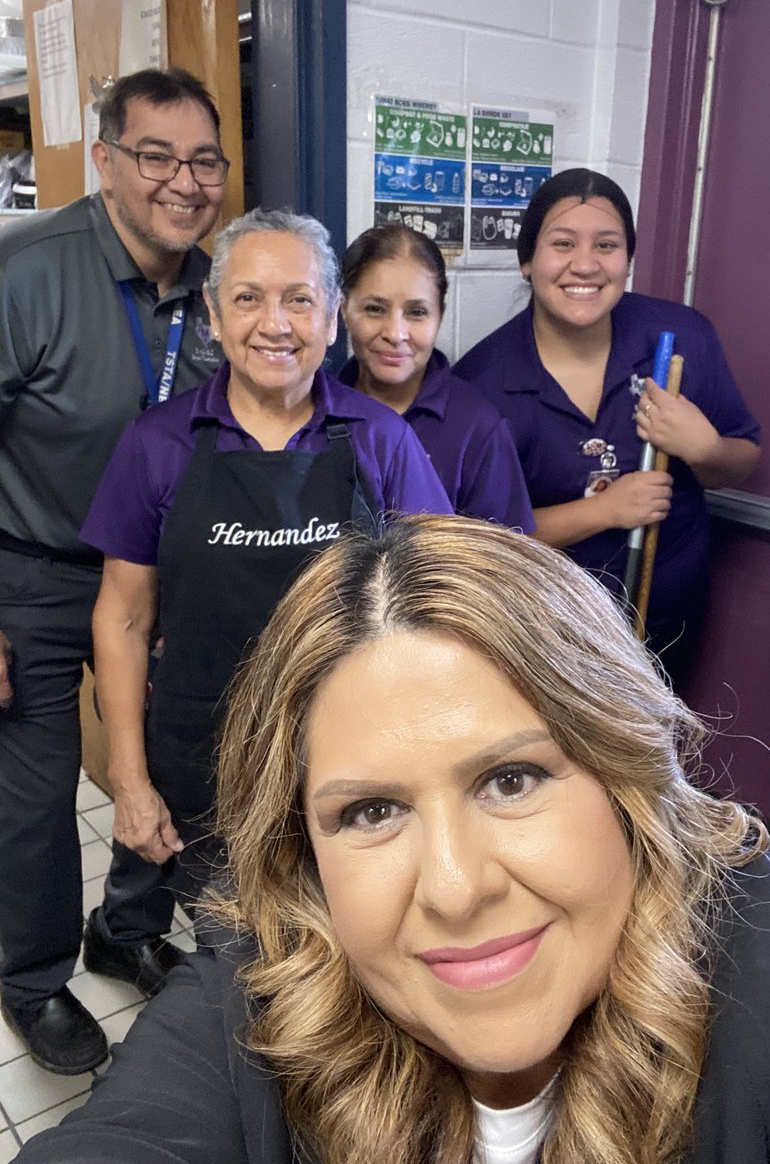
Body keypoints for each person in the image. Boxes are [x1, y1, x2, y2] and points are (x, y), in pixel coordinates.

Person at [16, 515, 770, 1164]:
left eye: (510, 781)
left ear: (626, 773)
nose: (452, 886)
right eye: (370, 812)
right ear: (302, 858)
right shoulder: (247, 1001)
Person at [79, 207, 453, 974]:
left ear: (332, 318)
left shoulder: (381, 441)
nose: (274, 323)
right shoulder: (159, 445)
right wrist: (129, 779)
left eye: (299, 299)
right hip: (202, 753)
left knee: (340, 943)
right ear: (214, 316)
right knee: (251, 961)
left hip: (349, 752)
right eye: (247, 298)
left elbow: (440, 599)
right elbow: (121, 618)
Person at [0, 67, 228, 1075]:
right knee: (39, 793)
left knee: (164, 762)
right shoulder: (30, 270)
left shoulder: (220, 290)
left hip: (159, 581)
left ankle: (124, 930)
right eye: (157, 156)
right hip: (35, 576)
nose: (184, 181)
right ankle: (33, 978)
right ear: (105, 161)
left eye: (205, 160)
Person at [455, 168, 761, 673]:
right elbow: (480, 539)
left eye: (606, 245)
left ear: (627, 260)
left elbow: (742, 458)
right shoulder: (481, 386)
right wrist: (603, 511)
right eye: (563, 243)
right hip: (542, 635)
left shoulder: (683, 337)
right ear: (527, 260)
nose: (585, 265)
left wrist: (703, 449)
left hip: (664, 627)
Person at [339, 224, 535, 529]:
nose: (395, 334)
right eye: (375, 309)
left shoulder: (477, 426)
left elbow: (502, 558)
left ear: (440, 314)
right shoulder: (318, 411)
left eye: (417, 313)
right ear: (344, 309)